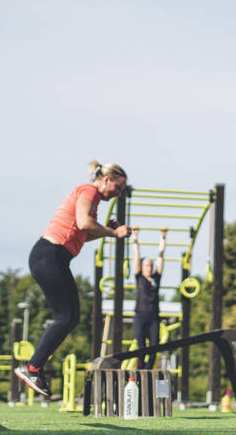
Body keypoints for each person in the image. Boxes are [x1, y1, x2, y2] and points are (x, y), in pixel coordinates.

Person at [15, 161, 132, 397]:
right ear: (106, 180)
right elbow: (84, 223)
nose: (118, 194)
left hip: (53, 257)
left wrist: (105, 231)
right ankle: (32, 368)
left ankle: (34, 367)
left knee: (71, 317)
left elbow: (81, 233)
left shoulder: (93, 199)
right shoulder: (89, 191)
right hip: (49, 255)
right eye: (118, 188)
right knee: (66, 316)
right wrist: (113, 232)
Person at [131, 228, 167, 368]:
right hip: (140, 316)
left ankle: (147, 371)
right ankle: (140, 372)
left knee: (154, 349)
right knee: (141, 349)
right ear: (142, 266)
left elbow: (161, 256)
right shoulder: (139, 277)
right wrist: (135, 237)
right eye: (147, 265)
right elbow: (136, 254)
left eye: (151, 266)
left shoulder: (156, 278)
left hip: (154, 317)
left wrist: (163, 238)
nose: (149, 268)